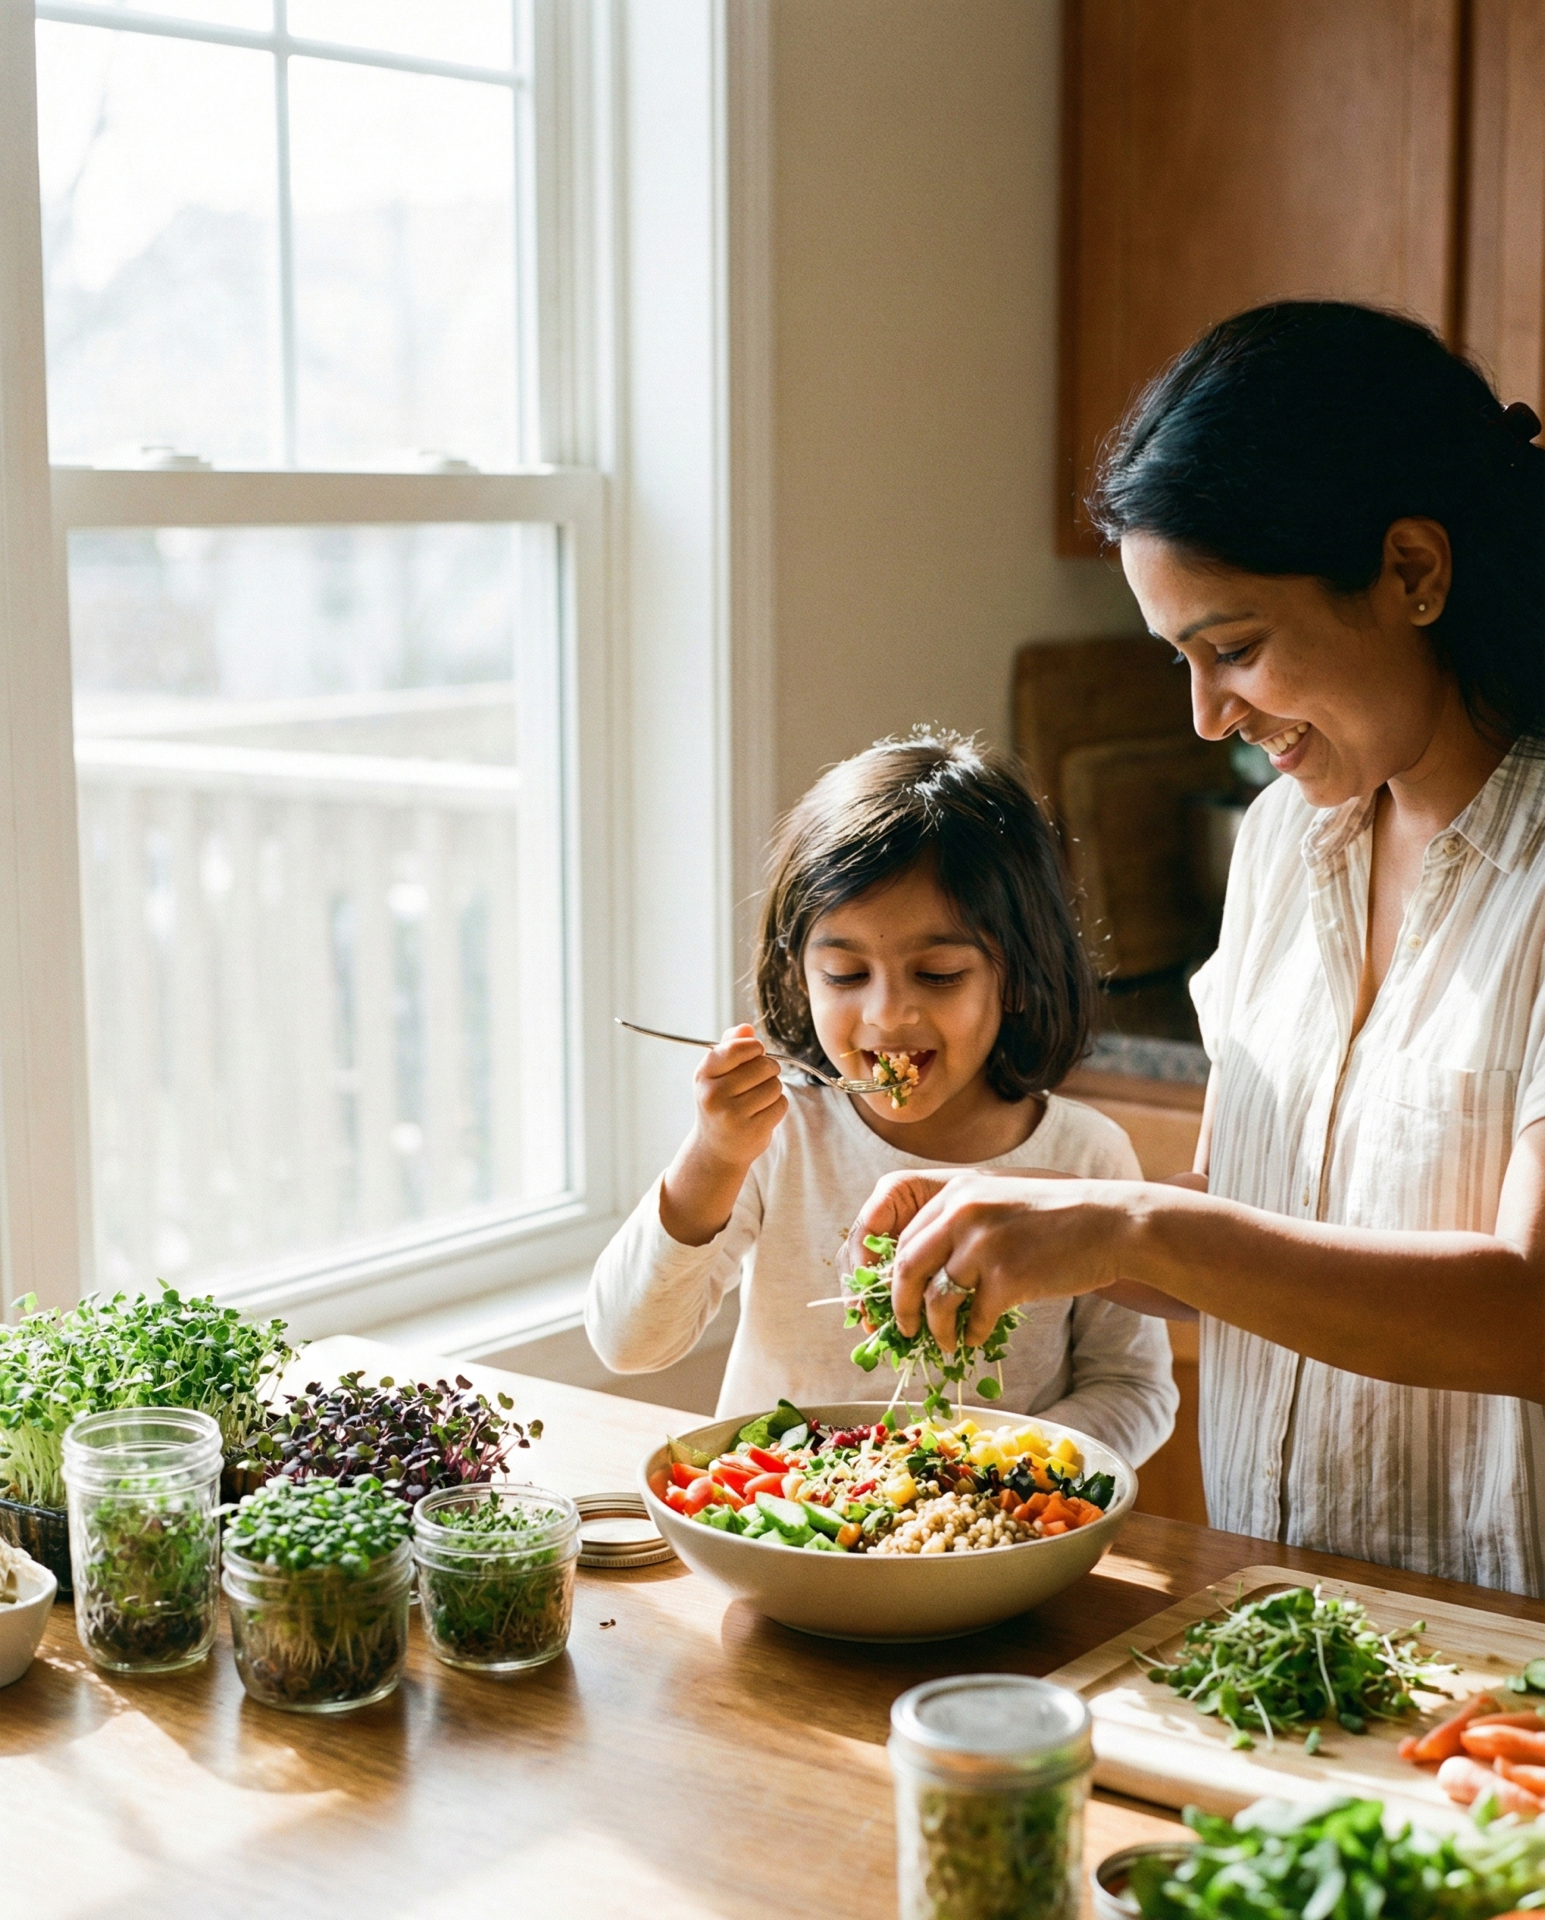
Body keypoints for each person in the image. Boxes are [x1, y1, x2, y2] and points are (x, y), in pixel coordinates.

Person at [852, 302, 1545, 1596]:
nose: (1206, 715)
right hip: (1275, 1617)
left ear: (1411, 570)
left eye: (1232, 648)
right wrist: (1038, 1221)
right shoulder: (1281, 844)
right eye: (1180, 657)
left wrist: (1138, 1222)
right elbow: (1242, 1232)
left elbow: (1532, 1311)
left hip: (1505, 1653)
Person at [586, 733, 1178, 1467]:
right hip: (777, 1512)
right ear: (798, 975)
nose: (888, 1015)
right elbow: (628, 1344)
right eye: (844, 975)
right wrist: (712, 1157)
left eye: (938, 974)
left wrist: (994, 1471)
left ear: (1019, 977)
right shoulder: (780, 1136)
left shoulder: (1083, 1156)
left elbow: (1134, 1389)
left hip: (985, 1526)